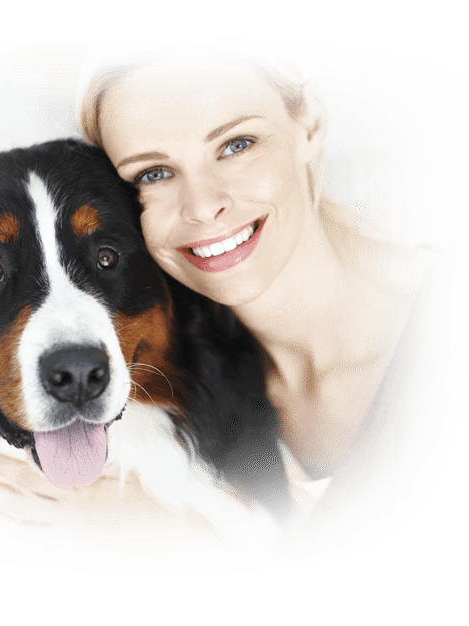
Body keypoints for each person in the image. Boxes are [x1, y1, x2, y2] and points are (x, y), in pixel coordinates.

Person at [76, 43, 455, 557]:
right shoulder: (164, 385)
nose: (203, 206)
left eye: (236, 145)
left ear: (310, 123)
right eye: (153, 174)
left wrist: (187, 541)